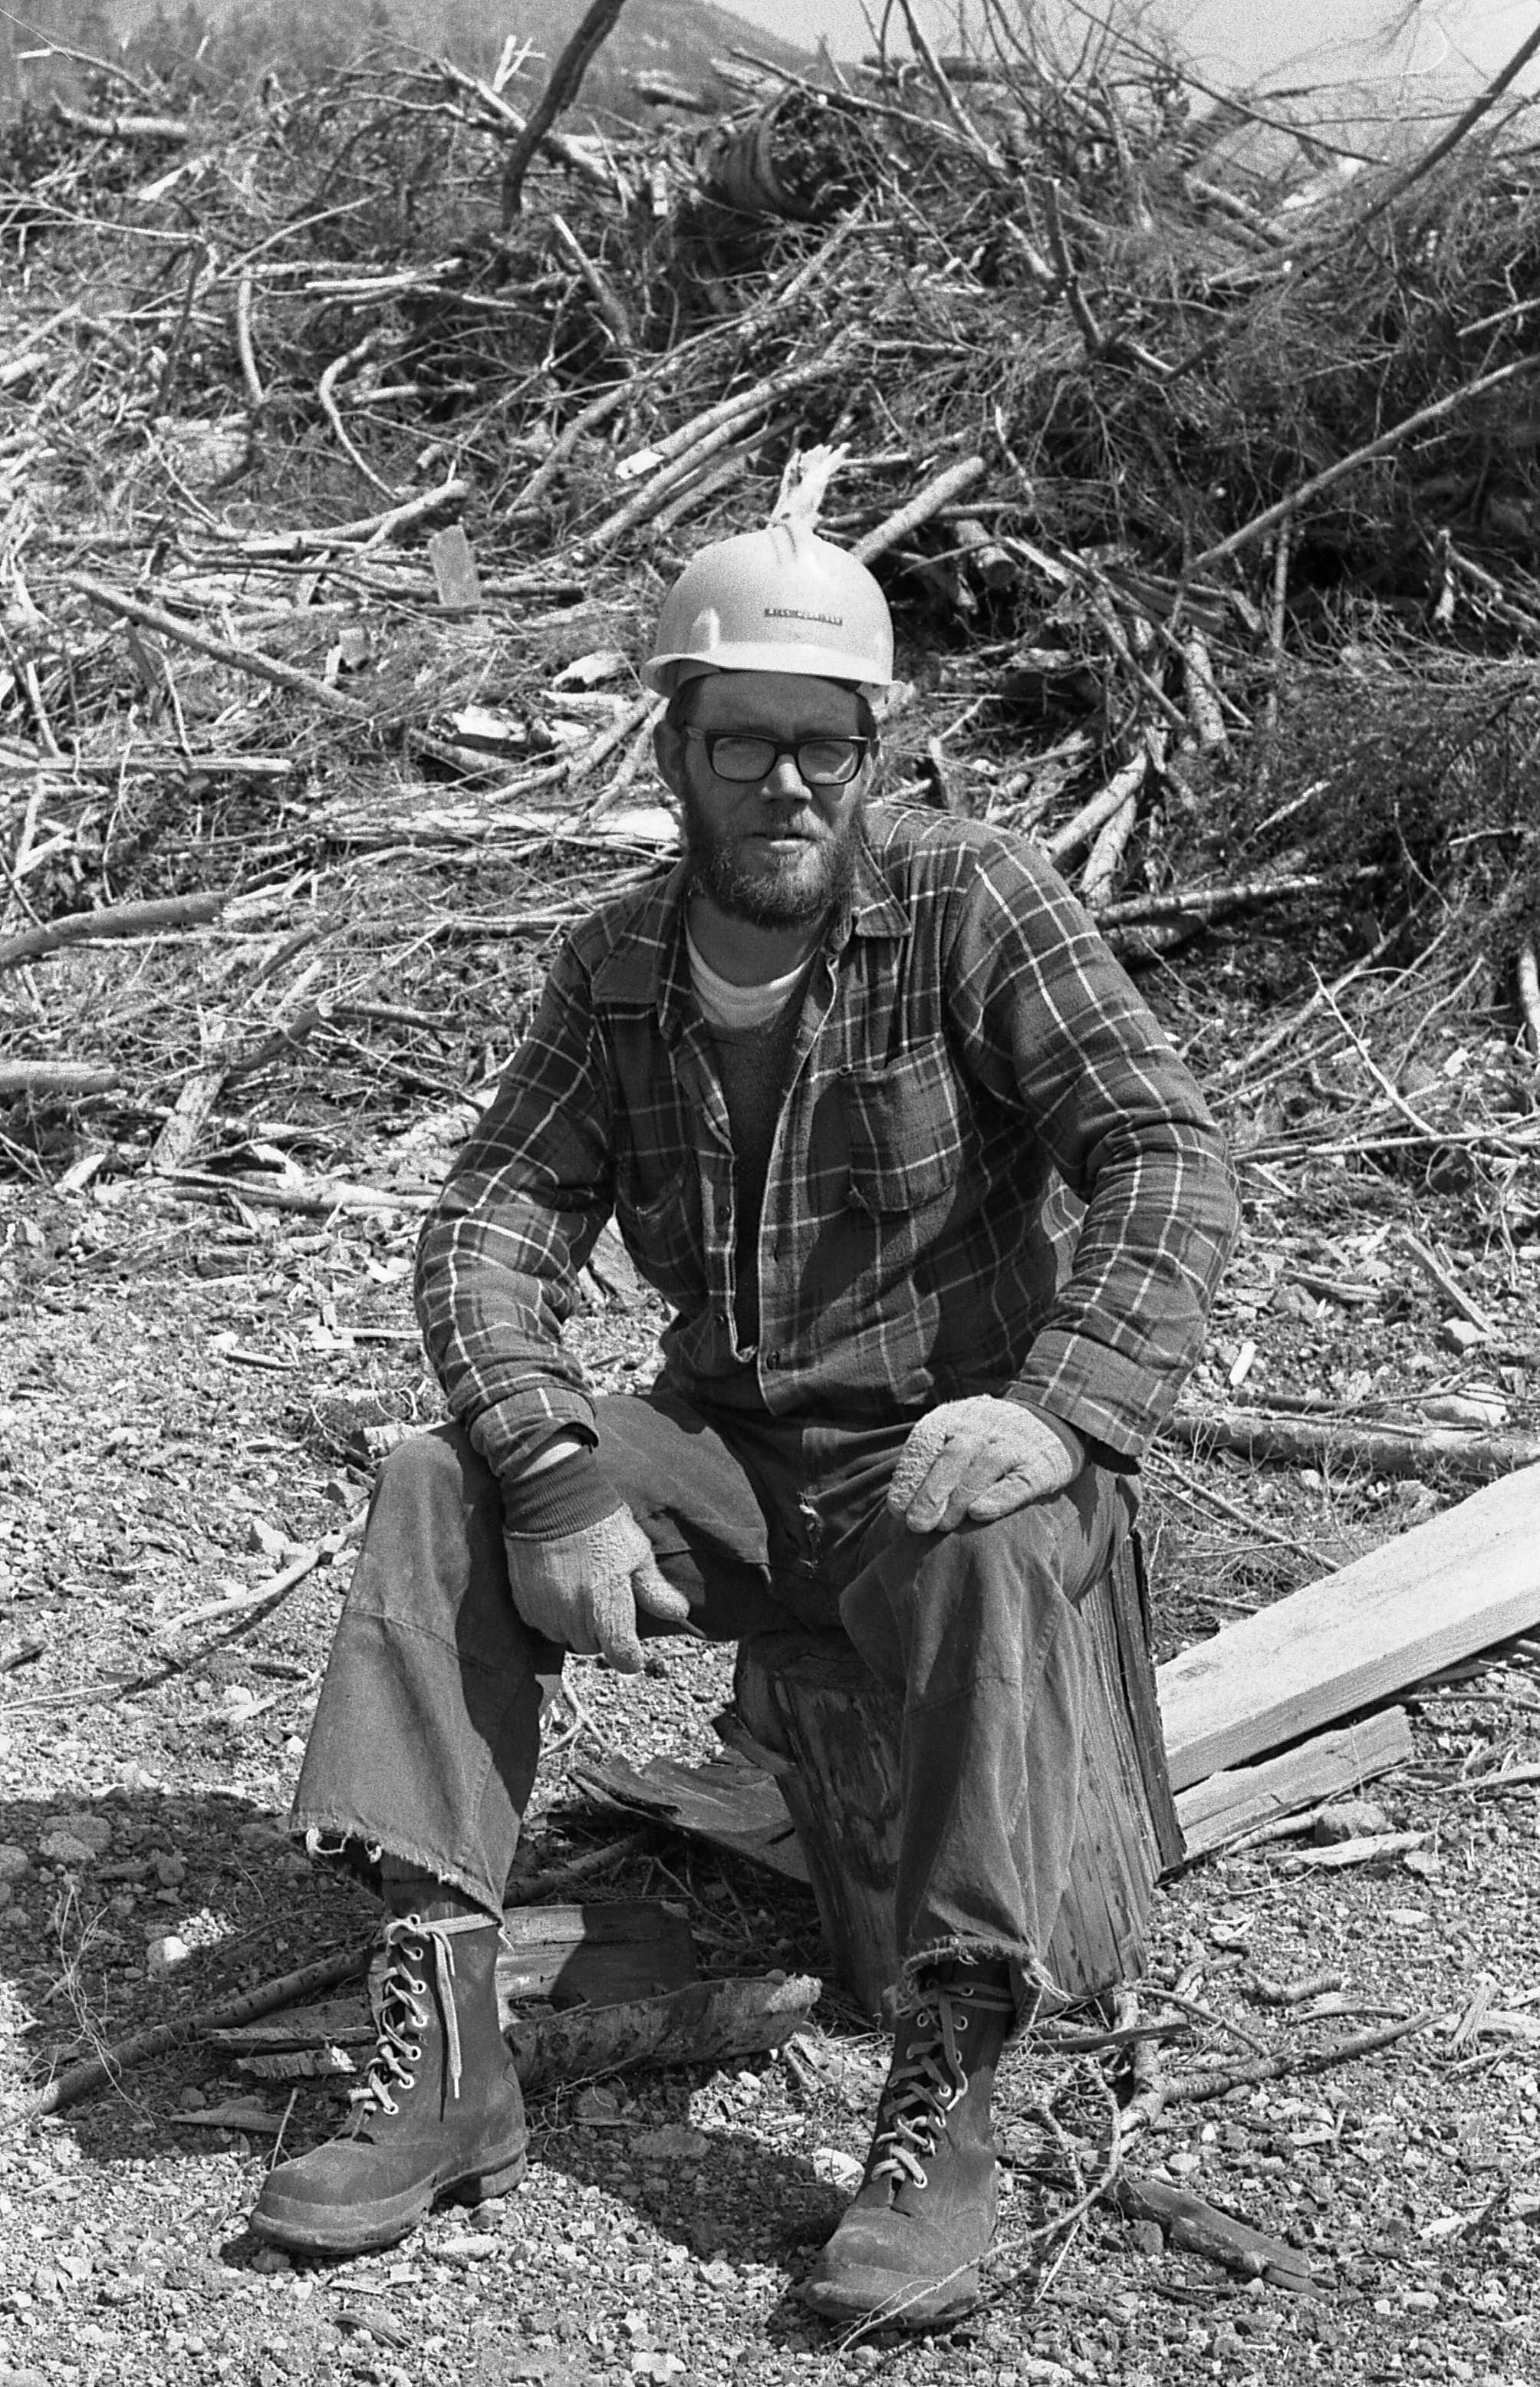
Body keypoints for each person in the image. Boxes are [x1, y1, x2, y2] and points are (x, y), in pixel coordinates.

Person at [249, 521, 1238, 2327]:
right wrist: (553, 1470)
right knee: (437, 1481)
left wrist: (1061, 1408)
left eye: (822, 743)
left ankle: (948, 2090)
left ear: (871, 750)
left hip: (942, 1458)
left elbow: (1160, 1148)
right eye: (741, 741)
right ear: (672, 748)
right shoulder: (617, 966)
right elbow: (487, 1223)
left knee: (999, 1526)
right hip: (726, 1452)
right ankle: (448, 2050)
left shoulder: (970, 900)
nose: (785, 782)